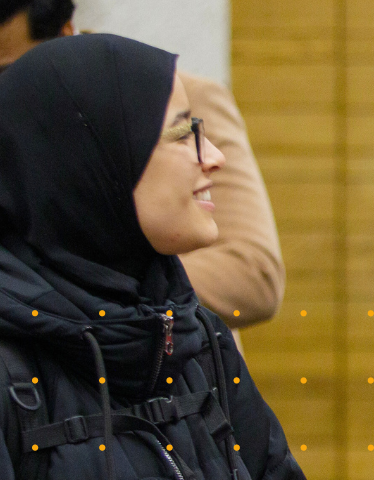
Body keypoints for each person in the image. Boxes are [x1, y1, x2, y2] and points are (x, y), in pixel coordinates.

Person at [0, 34, 303, 478]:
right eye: (184, 133)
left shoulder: (196, 336)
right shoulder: (12, 368)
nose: (214, 156)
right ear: (92, 165)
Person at [0, 0, 286, 336]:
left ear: (65, 32)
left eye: (6, 70)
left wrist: (94, 290)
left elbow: (253, 274)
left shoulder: (175, 98)